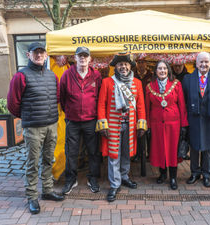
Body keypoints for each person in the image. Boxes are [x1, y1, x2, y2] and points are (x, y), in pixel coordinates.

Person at [7, 42, 64, 214]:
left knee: (48, 159)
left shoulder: (51, 75)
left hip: (51, 125)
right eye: (35, 53)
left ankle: (47, 190)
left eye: (42, 53)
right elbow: (12, 104)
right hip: (33, 127)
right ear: (29, 55)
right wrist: (28, 116)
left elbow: (56, 97)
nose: (39, 56)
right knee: (32, 163)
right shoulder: (21, 76)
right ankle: (32, 196)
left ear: (46, 55)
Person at [96, 53, 147, 202]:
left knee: (126, 153)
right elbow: (101, 104)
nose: (123, 67)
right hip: (112, 125)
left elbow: (141, 105)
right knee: (114, 155)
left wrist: (142, 124)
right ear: (116, 67)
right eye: (120, 65)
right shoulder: (107, 82)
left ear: (130, 66)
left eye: (125, 64)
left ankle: (124, 177)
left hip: (130, 124)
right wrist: (103, 123)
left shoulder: (137, 83)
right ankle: (114, 184)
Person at [60, 46, 102, 195]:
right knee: (71, 152)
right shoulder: (66, 75)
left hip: (91, 120)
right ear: (75, 58)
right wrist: (71, 111)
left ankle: (92, 178)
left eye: (85, 56)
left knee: (93, 151)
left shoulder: (96, 76)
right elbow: (62, 98)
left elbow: (99, 97)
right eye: (80, 56)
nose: (83, 58)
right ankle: (71, 179)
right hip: (73, 120)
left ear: (90, 59)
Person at [182, 52, 210, 188]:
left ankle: (206, 174)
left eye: (206, 62)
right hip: (193, 120)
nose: (203, 64)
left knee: (207, 150)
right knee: (194, 148)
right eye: (201, 62)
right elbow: (183, 102)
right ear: (196, 64)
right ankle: (195, 173)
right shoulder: (188, 79)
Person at [146, 60, 188, 190]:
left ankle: (173, 177)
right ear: (155, 71)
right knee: (159, 149)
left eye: (165, 68)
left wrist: (183, 125)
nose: (162, 71)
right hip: (156, 123)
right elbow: (147, 107)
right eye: (160, 68)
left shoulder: (176, 85)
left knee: (172, 150)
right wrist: (147, 125)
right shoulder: (149, 86)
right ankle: (163, 174)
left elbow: (182, 105)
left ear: (168, 71)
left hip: (173, 123)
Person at [132, 58, 153, 162]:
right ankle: (138, 154)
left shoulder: (152, 76)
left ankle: (150, 153)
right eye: (139, 62)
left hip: (149, 108)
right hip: (136, 108)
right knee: (138, 132)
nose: (141, 64)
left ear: (146, 63)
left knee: (149, 132)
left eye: (143, 62)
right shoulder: (132, 76)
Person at [172, 61, 190, 160]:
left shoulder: (188, 77)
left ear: (184, 65)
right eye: (175, 66)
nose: (177, 68)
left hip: (185, 107)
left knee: (185, 133)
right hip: (174, 108)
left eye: (179, 66)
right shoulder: (169, 76)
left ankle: (183, 151)